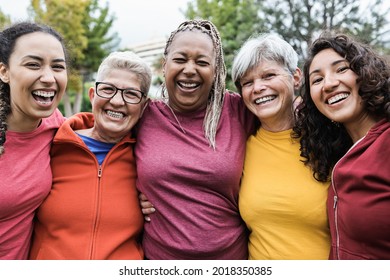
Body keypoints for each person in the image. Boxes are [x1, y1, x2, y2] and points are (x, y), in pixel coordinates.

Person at [135, 19, 253, 260]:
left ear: (216, 69)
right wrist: (129, 196)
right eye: (180, 59)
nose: (190, 69)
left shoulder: (239, 111)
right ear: (164, 65)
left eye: (202, 62)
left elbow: (289, 123)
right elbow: (101, 136)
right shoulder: (143, 114)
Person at [29, 51, 151, 259]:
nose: (117, 101)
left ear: (143, 107)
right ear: (93, 95)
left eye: (131, 94)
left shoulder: (148, 162)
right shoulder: (51, 143)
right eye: (108, 89)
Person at [231, 33, 331, 259]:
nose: (258, 87)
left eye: (268, 75)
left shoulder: (331, 137)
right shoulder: (242, 147)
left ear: (296, 77)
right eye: (248, 82)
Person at [294, 32, 390, 259]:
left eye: (341, 69)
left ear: (366, 73)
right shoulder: (338, 153)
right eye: (317, 80)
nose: (328, 84)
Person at [0, 21, 68, 260]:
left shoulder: (56, 124)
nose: (49, 77)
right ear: (4, 72)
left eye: (58, 67)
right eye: (33, 64)